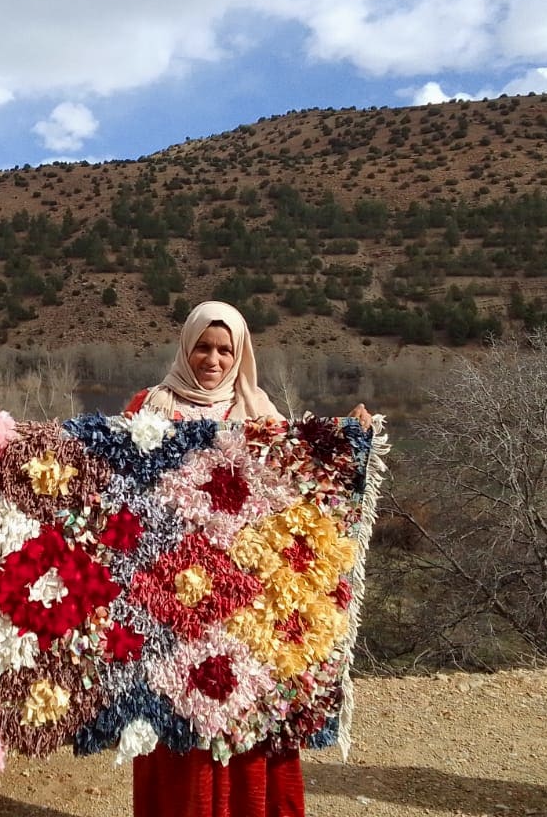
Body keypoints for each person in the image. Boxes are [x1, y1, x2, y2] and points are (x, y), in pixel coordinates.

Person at [125, 300, 369, 817]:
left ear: (240, 354)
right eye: (202, 348)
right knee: (179, 719)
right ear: (185, 347)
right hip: (174, 596)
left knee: (251, 713)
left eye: (223, 349)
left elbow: (299, 486)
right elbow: (117, 484)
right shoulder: (148, 407)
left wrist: (347, 439)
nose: (211, 360)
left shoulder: (259, 412)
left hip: (249, 602)